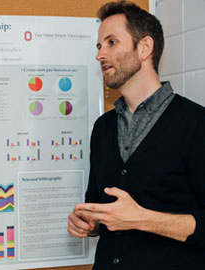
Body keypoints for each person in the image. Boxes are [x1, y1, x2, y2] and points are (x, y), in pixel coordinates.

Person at [67, 1, 205, 269]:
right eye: (99, 46)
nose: (100, 55)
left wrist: (141, 218)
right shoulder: (103, 128)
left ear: (144, 48)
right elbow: (99, 207)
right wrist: (88, 223)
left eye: (111, 42)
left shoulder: (196, 123)